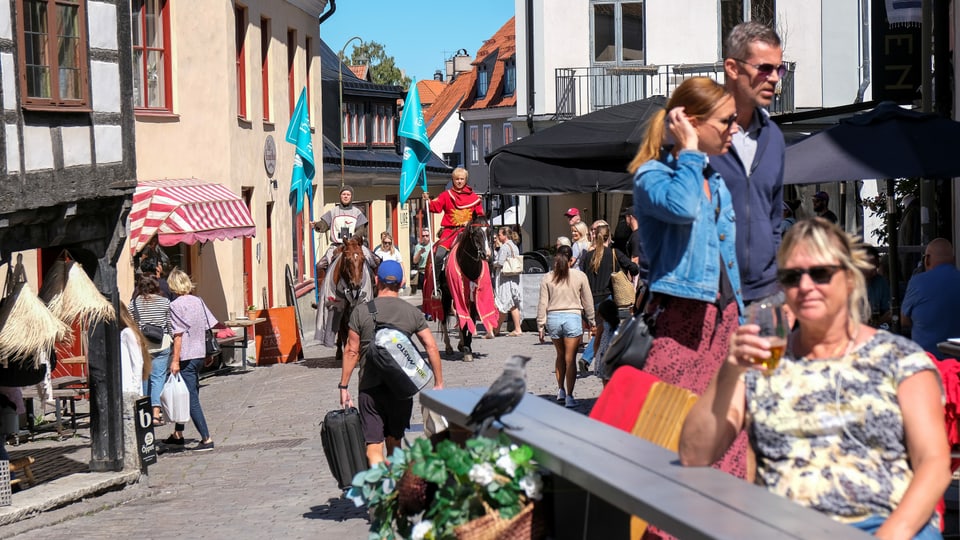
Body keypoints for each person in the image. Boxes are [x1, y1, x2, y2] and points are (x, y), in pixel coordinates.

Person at [680, 218, 950, 538]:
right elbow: (694, 454)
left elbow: (933, 463)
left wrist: (889, 535)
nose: (805, 286)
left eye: (820, 273)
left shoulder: (900, 359)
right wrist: (730, 369)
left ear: (850, 279)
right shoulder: (762, 362)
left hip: (885, 524)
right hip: (783, 527)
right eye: (793, 276)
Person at [628, 76, 746, 477]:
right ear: (690, 122)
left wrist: (743, 319)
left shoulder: (718, 183)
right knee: (671, 438)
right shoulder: (652, 176)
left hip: (722, 321)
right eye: (726, 121)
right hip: (681, 319)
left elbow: (728, 262)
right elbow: (681, 206)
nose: (735, 128)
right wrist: (690, 151)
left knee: (729, 438)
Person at [338, 260, 444, 466]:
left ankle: (380, 485)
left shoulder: (362, 310)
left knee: (373, 444)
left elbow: (351, 350)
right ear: (402, 282)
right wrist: (438, 383)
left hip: (370, 387)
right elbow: (431, 347)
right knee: (395, 442)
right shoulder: (411, 312)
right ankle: (395, 488)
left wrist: (343, 386)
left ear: (377, 281)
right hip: (401, 388)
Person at [710, 21, 786, 307]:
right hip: (707, 300)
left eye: (780, 69)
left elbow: (774, 220)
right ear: (732, 68)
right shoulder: (693, 130)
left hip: (764, 297)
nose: (775, 78)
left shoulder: (774, 137)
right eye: (764, 68)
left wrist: (779, 288)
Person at [537, 245, 595, 408]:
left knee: (560, 355)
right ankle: (569, 396)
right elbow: (588, 301)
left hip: (554, 318)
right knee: (570, 359)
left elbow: (542, 302)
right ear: (571, 259)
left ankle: (560, 390)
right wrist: (592, 321)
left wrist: (540, 325)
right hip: (572, 317)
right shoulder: (579, 276)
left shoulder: (548, 277)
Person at [164, 269, 216, 451]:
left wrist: (175, 360)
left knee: (191, 398)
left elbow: (178, 336)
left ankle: (206, 438)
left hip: (186, 355)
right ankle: (178, 433)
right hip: (200, 353)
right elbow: (207, 327)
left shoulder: (175, 306)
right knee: (189, 393)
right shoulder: (198, 301)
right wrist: (208, 354)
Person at [902, 238, 960, 358]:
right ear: (953, 260)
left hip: (927, 363)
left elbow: (904, 321)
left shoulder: (917, 282)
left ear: (927, 259)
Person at [422, 167, 484, 273]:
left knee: (484, 253)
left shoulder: (474, 197)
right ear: (453, 180)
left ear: (466, 180)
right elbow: (435, 207)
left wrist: (470, 223)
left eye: (462, 179)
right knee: (439, 255)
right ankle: (437, 286)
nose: (459, 181)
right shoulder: (446, 195)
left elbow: (480, 217)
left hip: (469, 231)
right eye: (457, 179)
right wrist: (428, 201)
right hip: (450, 231)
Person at [132, 273, 172, 426]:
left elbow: (131, 325)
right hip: (161, 344)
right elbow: (169, 324)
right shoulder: (164, 302)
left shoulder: (134, 304)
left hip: (143, 346)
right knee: (158, 378)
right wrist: (172, 338)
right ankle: (156, 414)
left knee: (145, 378)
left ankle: (145, 413)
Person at [314, 185, 377, 274]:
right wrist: (318, 225)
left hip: (355, 246)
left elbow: (361, 229)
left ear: (351, 197)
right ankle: (323, 287)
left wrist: (354, 238)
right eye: (344, 194)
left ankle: (374, 285)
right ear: (340, 196)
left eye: (348, 194)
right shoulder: (333, 212)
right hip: (337, 246)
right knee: (319, 266)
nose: (346, 196)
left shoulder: (357, 213)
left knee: (375, 260)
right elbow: (324, 224)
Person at [493, 227, 523, 337]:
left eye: (500, 234)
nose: (498, 236)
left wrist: (493, 263)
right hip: (513, 277)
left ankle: (496, 329)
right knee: (512, 304)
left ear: (505, 235)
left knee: (503, 303)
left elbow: (500, 263)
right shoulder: (514, 246)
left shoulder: (505, 247)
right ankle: (517, 328)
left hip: (505, 278)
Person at [118, 302, 150, 397]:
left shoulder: (127, 332)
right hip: (125, 387)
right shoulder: (124, 332)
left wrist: (135, 389)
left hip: (129, 388)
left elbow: (138, 361)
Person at [863, 245, 891, 328]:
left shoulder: (880, 282)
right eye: (873, 268)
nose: (875, 272)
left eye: (877, 268)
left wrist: (879, 321)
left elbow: (889, 312)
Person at [622, 206, 648, 284]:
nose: (625, 220)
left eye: (626, 217)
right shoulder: (639, 233)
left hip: (636, 278)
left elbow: (635, 259)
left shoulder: (636, 236)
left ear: (631, 217)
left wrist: (630, 277)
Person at [410, 228, 432, 294]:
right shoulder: (418, 246)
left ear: (430, 236)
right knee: (424, 291)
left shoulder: (433, 245)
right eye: (423, 236)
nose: (425, 237)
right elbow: (415, 261)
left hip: (430, 271)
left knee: (430, 290)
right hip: (422, 271)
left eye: (427, 236)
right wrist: (419, 252)